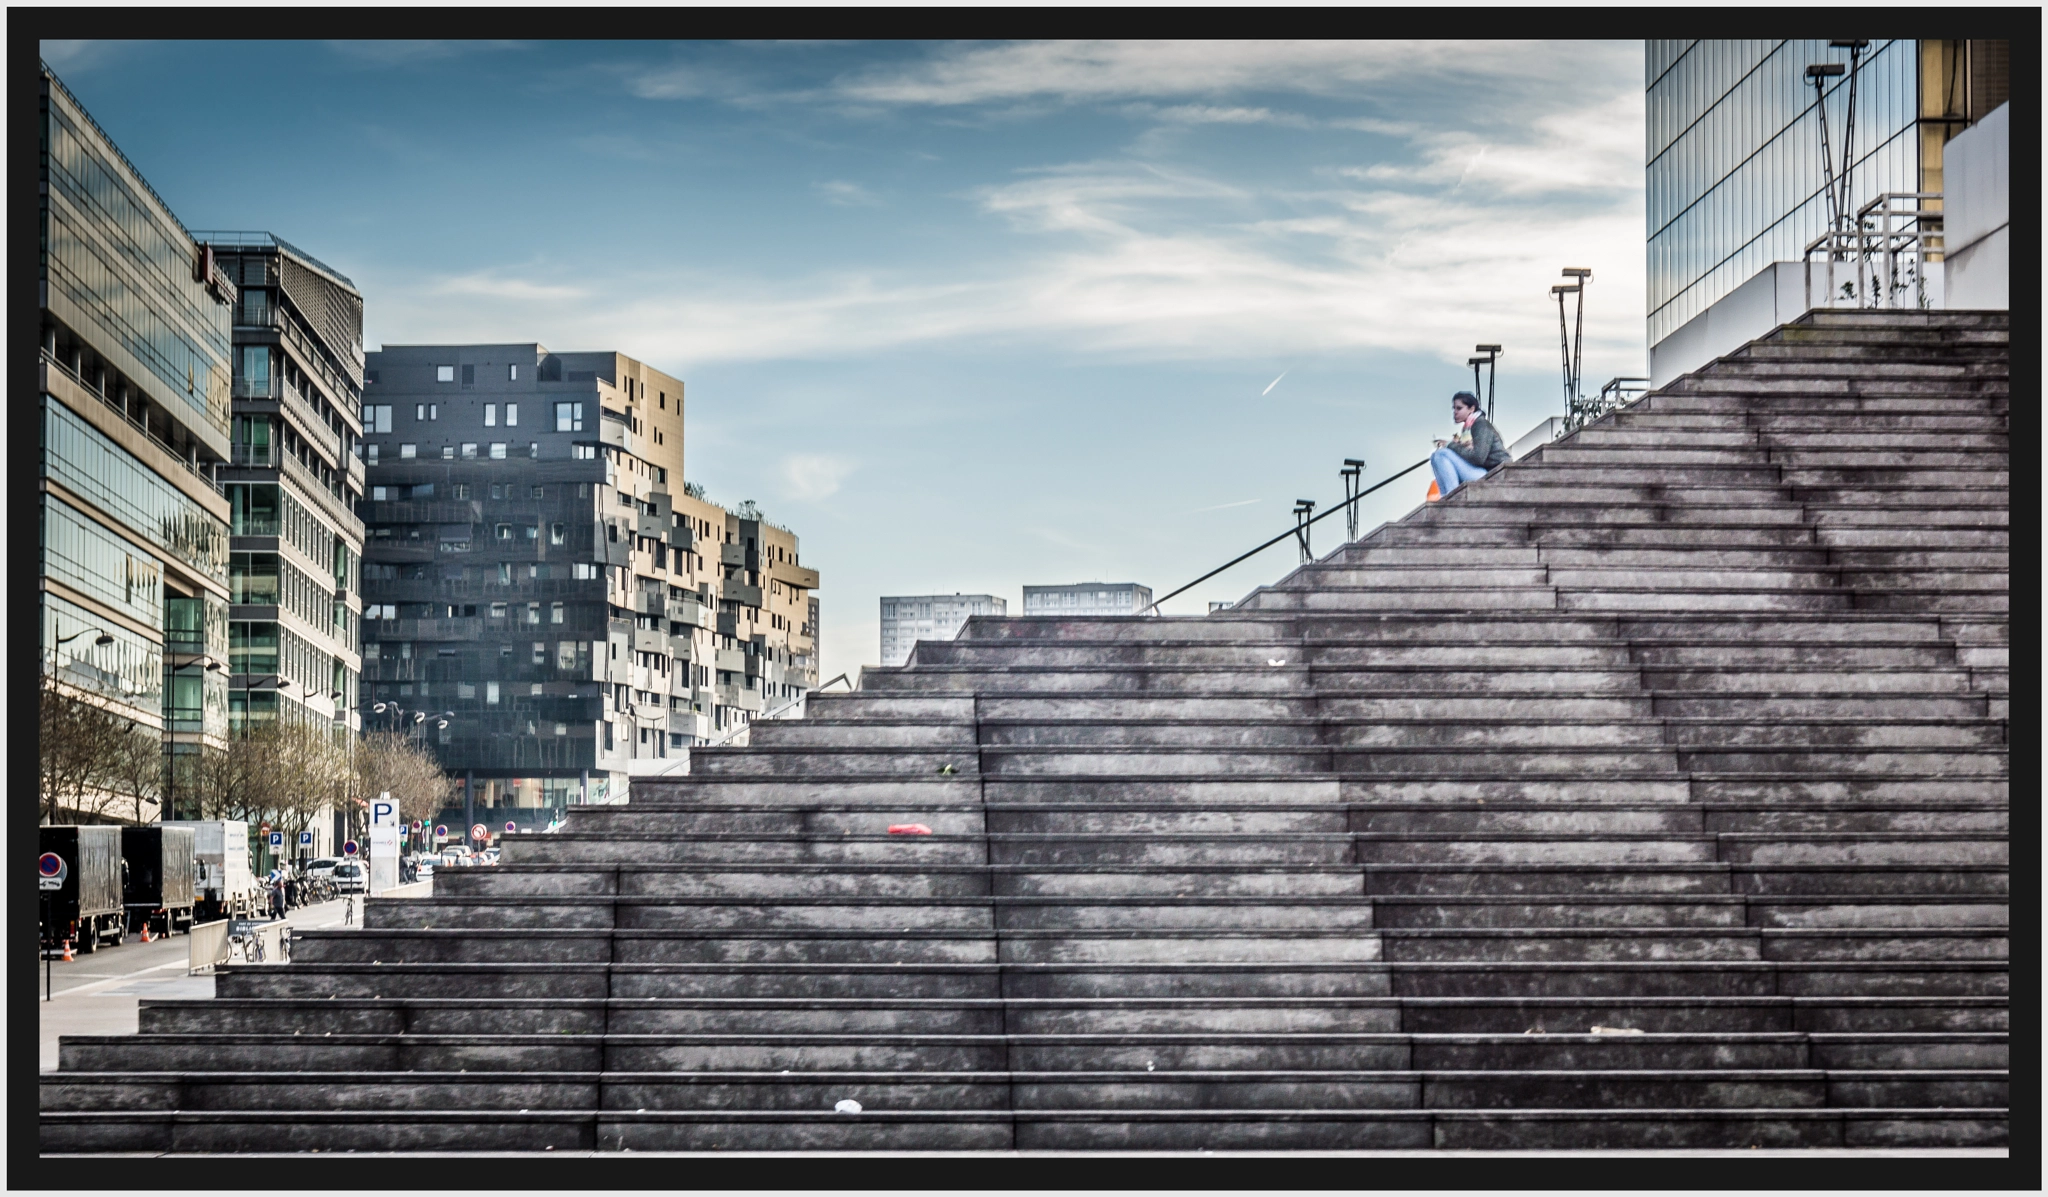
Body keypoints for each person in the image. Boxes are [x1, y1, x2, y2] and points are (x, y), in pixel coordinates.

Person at [1430, 391, 1510, 498]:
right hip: (1483, 471)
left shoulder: (1481, 425)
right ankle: (1446, 496)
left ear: (1471, 409)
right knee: (1435, 456)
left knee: (1441, 454)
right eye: (1454, 408)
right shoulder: (1470, 428)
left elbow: (1478, 457)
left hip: (1493, 474)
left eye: (1459, 408)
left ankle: (1452, 496)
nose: (1455, 412)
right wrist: (1457, 445)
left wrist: (1451, 445)